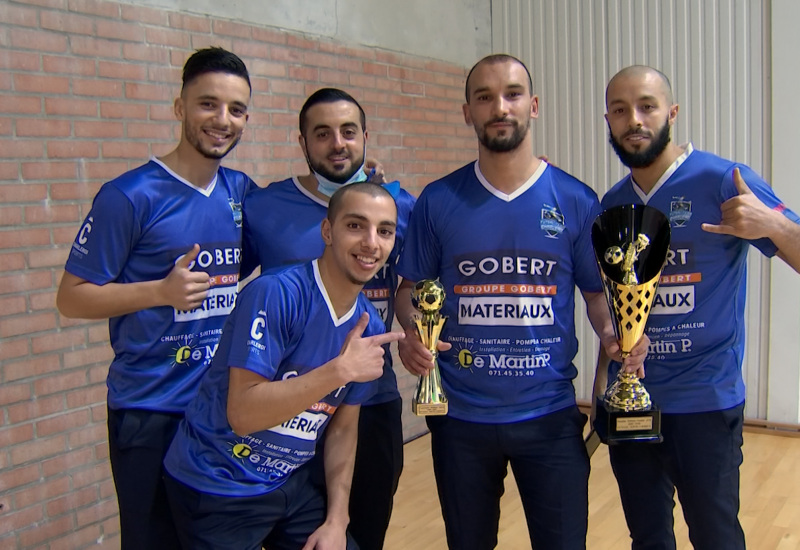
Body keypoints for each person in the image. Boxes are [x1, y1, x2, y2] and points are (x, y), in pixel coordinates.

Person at [394, 54, 648, 550]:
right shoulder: (439, 199)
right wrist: (410, 332)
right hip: (460, 418)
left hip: (549, 416)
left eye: (512, 94)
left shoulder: (576, 200)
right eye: (484, 97)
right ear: (467, 111)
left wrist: (614, 334)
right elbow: (408, 291)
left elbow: (598, 296)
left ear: (533, 106)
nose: (499, 108)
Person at [55, 47, 254, 549]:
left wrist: (359, 181)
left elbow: (303, 225)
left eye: (236, 109)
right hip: (149, 410)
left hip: (218, 409)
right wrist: (160, 292)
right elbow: (71, 298)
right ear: (179, 107)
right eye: (208, 104)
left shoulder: (242, 191)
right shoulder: (129, 196)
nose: (222, 120)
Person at [598, 65, 800, 550]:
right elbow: (613, 310)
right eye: (621, 110)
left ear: (672, 112)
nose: (634, 120)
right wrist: (602, 390)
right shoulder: (612, 204)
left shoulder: (724, 180)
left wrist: (774, 227)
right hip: (634, 401)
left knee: (716, 536)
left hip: (705, 401)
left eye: (646, 106)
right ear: (608, 121)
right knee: (647, 537)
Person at [162, 183, 404, 550]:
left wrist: (338, 521)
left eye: (384, 231)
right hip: (217, 484)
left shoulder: (368, 324)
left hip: (288, 482)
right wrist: (339, 370)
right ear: (327, 231)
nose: (372, 243)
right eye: (356, 226)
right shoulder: (275, 294)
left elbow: (342, 432)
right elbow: (243, 413)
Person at [241, 87, 416, 550]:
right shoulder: (262, 208)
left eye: (348, 132)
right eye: (322, 134)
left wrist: (417, 333)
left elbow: (415, 287)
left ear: (365, 137)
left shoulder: (401, 205)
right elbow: (224, 285)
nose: (337, 143)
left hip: (369, 402)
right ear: (302, 142)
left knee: (363, 532)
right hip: (284, 411)